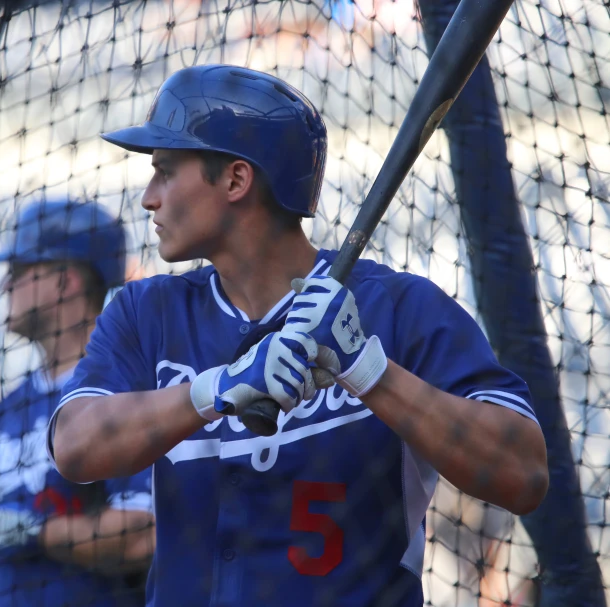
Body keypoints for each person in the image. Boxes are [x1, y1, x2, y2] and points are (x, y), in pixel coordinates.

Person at [48, 65, 548, 606]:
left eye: (166, 171)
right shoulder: (146, 313)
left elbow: (523, 473)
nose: (149, 197)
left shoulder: (399, 307)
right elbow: (75, 447)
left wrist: (371, 373)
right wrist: (212, 391)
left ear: (237, 180)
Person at [0, 199, 155, 607]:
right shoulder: (9, 408)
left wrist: (38, 532)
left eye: (19, 271)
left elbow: (142, 534)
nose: (5, 285)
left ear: (64, 282)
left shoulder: (124, 392)